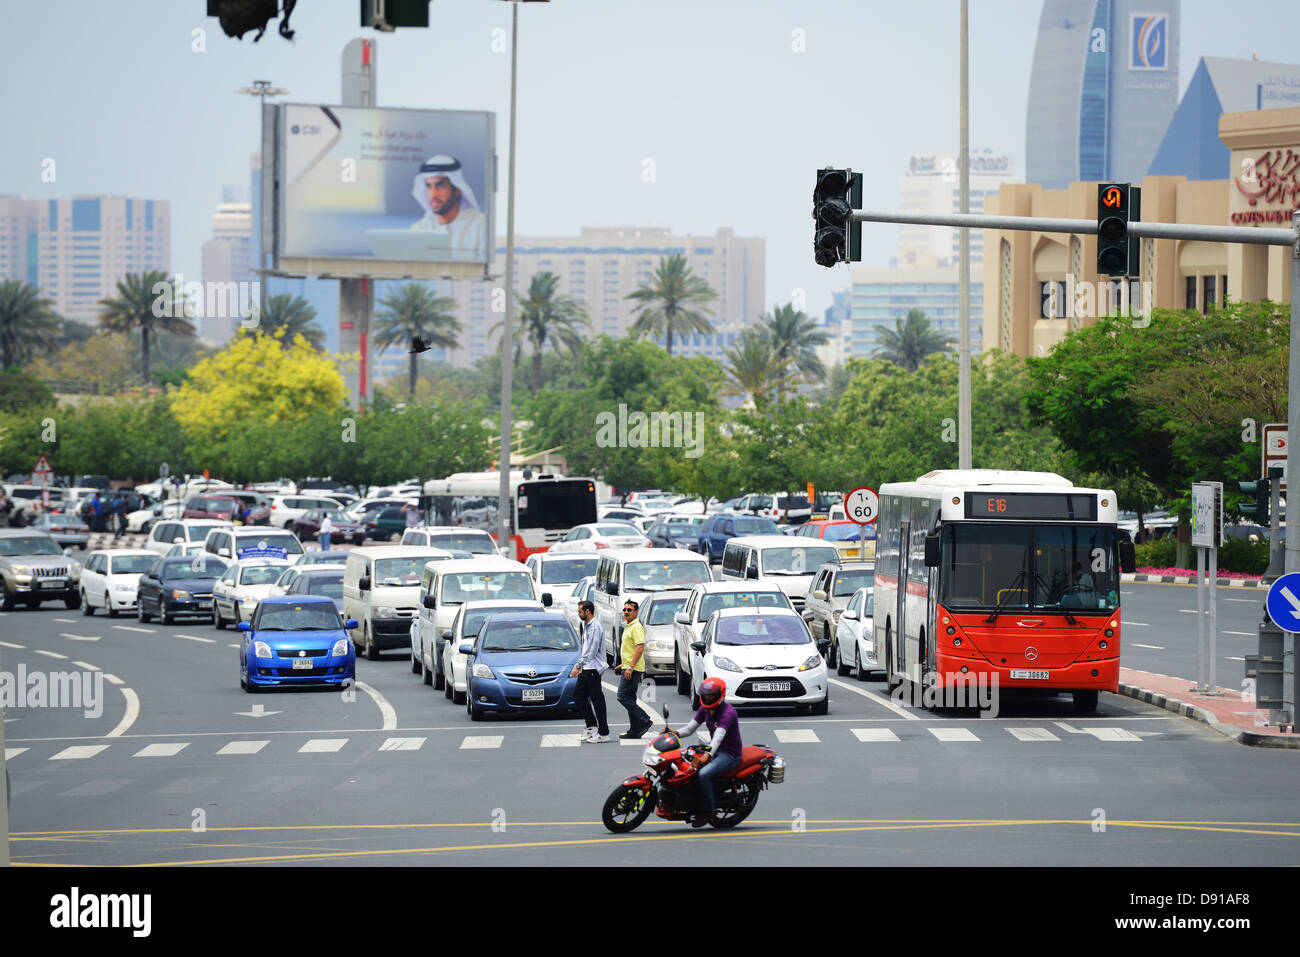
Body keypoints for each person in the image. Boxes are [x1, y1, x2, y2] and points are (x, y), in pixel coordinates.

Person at [672, 677, 743, 828]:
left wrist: (706, 755)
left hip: (729, 753)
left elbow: (718, 737)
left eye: (711, 695)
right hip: (712, 748)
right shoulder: (704, 709)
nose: (708, 697)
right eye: (706, 695)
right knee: (683, 758)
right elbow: (690, 729)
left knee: (703, 774)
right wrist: (673, 733)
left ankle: (709, 811)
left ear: (720, 695)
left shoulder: (728, 712)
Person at [408, 154, 487, 260]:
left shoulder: (481, 226)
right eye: (428, 186)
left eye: (440, 185)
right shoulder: (418, 229)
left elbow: (485, 272)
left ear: (457, 189)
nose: (433, 194)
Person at [570, 600, 610, 743]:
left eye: (580, 611)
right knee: (578, 697)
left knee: (597, 701)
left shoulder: (594, 626)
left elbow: (591, 651)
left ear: (587, 611)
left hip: (593, 668)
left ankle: (604, 733)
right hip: (587, 668)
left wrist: (578, 665)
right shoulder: (586, 625)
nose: (578, 614)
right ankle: (592, 726)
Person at [615, 599, 653, 739]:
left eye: (629, 610)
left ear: (636, 612)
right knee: (630, 697)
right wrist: (623, 664)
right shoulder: (629, 626)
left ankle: (644, 720)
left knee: (622, 696)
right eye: (624, 610)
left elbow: (640, 647)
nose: (626, 612)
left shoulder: (636, 626)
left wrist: (630, 667)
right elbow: (630, 649)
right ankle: (635, 730)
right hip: (629, 666)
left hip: (633, 668)